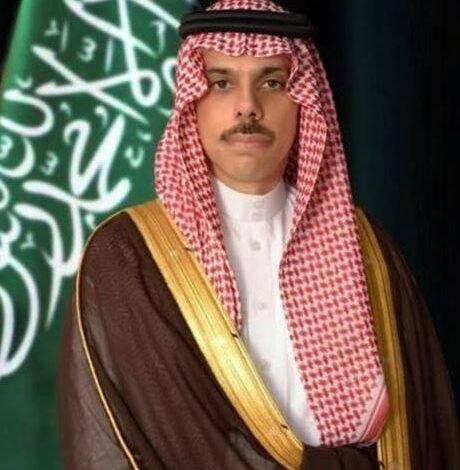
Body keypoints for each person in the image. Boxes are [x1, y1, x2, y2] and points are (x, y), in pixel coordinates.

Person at [57, 1, 460, 468]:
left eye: (272, 82)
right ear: (193, 101)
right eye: (221, 82)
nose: (247, 105)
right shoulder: (127, 259)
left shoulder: (368, 252)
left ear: (303, 101)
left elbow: (426, 433)